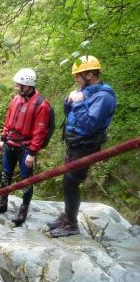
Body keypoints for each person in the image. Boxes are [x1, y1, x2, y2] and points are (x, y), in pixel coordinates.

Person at [48, 55, 116, 237]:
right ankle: (68, 216)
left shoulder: (104, 97)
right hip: (75, 144)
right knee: (68, 180)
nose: (76, 79)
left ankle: (71, 223)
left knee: (71, 182)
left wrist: (77, 102)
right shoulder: (87, 92)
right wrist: (69, 102)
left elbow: (90, 124)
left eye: (78, 75)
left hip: (85, 146)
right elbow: (72, 115)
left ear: (90, 74)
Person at [0, 68, 52, 226]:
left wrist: (32, 152)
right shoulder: (16, 99)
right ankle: (2, 201)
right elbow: (8, 121)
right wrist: (3, 138)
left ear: (27, 85)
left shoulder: (41, 104)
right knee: (6, 174)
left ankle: (23, 208)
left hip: (26, 147)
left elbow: (40, 131)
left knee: (26, 179)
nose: (16, 87)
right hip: (10, 142)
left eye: (18, 85)